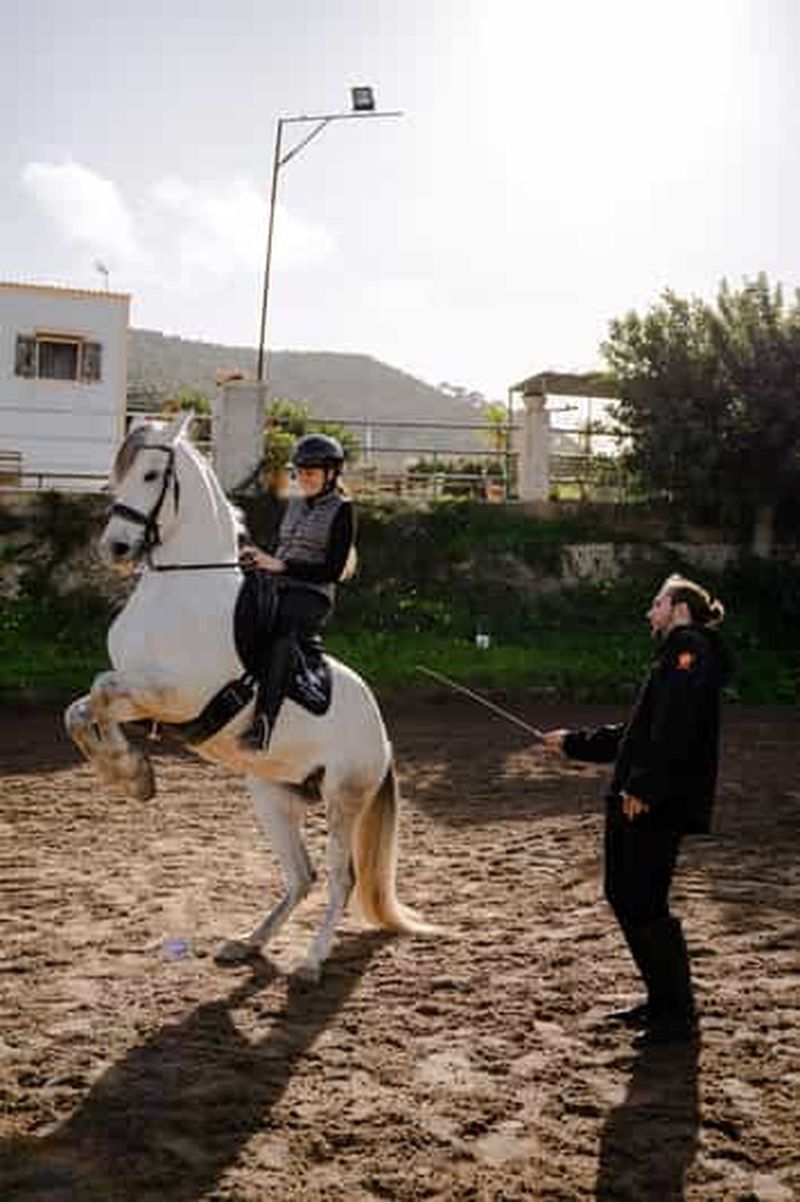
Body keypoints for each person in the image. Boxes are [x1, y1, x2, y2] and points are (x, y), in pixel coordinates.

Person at [540, 574, 729, 1047]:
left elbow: (675, 727)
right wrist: (574, 743)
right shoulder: (676, 655)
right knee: (625, 894)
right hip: (639, 796)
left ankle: (676, 1014)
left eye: (657, 602)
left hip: (654, 801)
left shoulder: (690, 650)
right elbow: (639, 731)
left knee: (641, 899)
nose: (650, 612)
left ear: (679, 608)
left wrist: (644, 785)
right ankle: (662, 1002)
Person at [237, 433, 355, 751]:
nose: (304, 479)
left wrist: (281, 567)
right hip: (281, 583)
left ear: (331, 474)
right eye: (300, 472)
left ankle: (263, 723)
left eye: (311, 473)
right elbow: (283, 552)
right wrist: (257, 559)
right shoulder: (295, 504)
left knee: (282, 633)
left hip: (312, 594)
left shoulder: (343, 510)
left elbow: (331, 571)